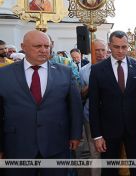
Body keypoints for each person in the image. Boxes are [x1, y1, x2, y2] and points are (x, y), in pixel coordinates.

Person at [0, 30, 82, 176]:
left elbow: (75, 108)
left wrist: (75, 135)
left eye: (47, 46)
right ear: (23, 46)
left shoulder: (65, 73)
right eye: (38, 46)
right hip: (17, 144)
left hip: (55, 143)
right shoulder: (4, 74)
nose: (44, 50)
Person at [89, 30, 136, 176]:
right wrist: (97, 136)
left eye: (124, 47)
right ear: (110, 46)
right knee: (109, 170)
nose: (120, 51)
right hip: (108, 130)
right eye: (116, 47)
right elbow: (94, 105)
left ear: (128, 46)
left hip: (135, 129)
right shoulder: (97, 70)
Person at [79, 39, 108, 176]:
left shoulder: (113, 68)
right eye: (97, 50)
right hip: (90, 116)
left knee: (111, 150)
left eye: (103, 50)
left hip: (110, 117)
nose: (101, 53)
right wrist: (91, 85)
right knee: (95, 151)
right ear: (91, 52)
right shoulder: (84, 71)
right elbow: (81, 95)